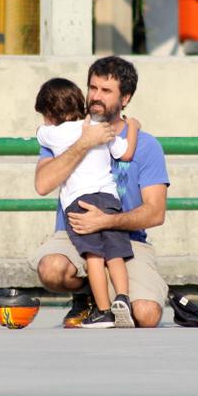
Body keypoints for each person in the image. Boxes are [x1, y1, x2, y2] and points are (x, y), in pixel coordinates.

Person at [30, 56, 169, 328]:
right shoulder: (64, 133)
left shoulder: (147, 145)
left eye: (106, 91)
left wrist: (107, 221)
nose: (95, 97)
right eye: (92, 88)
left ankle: (111, 294)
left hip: (127, 240)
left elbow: (155, 212)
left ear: (125, 98)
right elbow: (43, 185)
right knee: (52, 269)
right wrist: (84, 143)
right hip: (75, 233)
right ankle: (89, 297)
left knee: (147, 315)